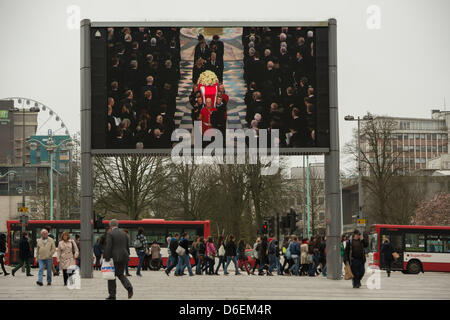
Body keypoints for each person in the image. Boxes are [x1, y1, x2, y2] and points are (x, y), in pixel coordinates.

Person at [103, 219, 133, 300]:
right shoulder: (124, 233)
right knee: (120, 274)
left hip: (114, 257)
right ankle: (129, 287)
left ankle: (112, 295)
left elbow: (109, 246)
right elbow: (127, 246)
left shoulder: (110, 233)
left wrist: (106, 257)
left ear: (110, 225)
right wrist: (128, 255)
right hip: (124, 256)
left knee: (111, 276)